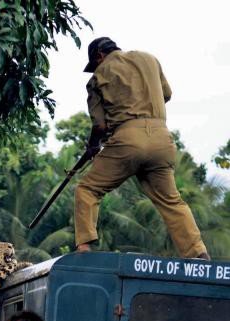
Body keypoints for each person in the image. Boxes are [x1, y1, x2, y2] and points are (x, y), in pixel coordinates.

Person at [74, 37, 210, 260]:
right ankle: (197, 252)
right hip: (162, 140)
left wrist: (93, 146)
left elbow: (100, 125)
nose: (95, 68)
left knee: (87, 189)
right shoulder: (150, 59)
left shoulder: (98, 77)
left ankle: (84, 249)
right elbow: (166, 94)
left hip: (127, 140)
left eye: (95, 63)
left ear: (99, 56)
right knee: (171, 201)